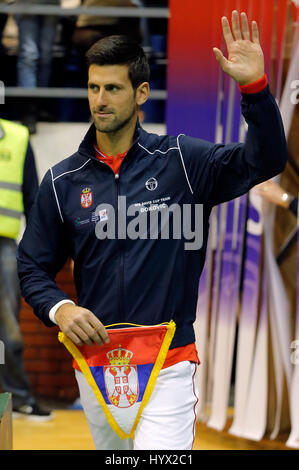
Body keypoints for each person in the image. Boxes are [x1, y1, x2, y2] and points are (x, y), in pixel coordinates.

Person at [17, 11, 288, 449]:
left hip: (168, 361)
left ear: (141, 93)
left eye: (113, 89)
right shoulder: (62, 181)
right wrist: (61, 309)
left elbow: (266, 160)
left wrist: (254, 90)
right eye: (93, 88)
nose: (99, 100)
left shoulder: (184, 161)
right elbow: (32, 267)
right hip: (95, 365)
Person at [0, 117, 52, 420]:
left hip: (4, 244)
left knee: (8, 327)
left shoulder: (18, 137)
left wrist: (40, 249)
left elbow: (33, 197)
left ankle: (17, 397)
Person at [15, 0, 60, 134]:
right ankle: (29, 110)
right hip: (27, 3)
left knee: (45, 56)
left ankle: (39, 107)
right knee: (29, 54)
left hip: (51, 3)